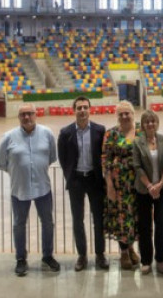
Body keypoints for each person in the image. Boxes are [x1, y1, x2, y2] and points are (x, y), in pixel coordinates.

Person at [0, 103, 60, 276]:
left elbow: (52, 157)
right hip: (19, 190)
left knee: (47, 223)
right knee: (19, 224)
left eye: (30, 113)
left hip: (43, 189)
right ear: (18, 117)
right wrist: (18, 172)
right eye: (23, 114)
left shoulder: (47, 134)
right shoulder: (8, 137)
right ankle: (20, 259)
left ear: (36, 115)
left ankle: (47, 256)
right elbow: (1, 163)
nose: (26, 117)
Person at [57, 96, 109, 272]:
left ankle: (100, 254)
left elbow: (105, 154)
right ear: (74, 110)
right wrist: (70, 176)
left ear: (90, 109)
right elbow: (63, 159)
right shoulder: (65, 133)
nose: (82, 111)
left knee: (98, 220)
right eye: (79, 108)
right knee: (78, 220)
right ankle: (82, 255)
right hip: (77, 181)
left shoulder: (100, 131)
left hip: (95, 180)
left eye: (85, 107)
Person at [102, 100, 140, 270]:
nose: (124, 116)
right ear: (117, 116)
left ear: (133, 114)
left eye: (127, 113)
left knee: (134, 217)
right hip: (118, 185)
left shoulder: (141, 131)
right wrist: (109, 184)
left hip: (138, 184)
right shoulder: (111, 134)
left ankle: (131, 247)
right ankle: (124, 252)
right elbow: (105, 159)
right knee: (120, 218)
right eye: (121, 114)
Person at [132, 110, 163, 275]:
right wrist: (149, 186)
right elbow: (137, 166)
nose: (150, 124)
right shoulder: (137, 142)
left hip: (161, 190)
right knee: (144, 226)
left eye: (152, 121)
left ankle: (160, 260)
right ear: (143, 125)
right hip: (143, 190)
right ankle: (146, 261)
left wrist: (160, 184)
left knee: (160, 225)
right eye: (147, 122)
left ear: (157, 123)